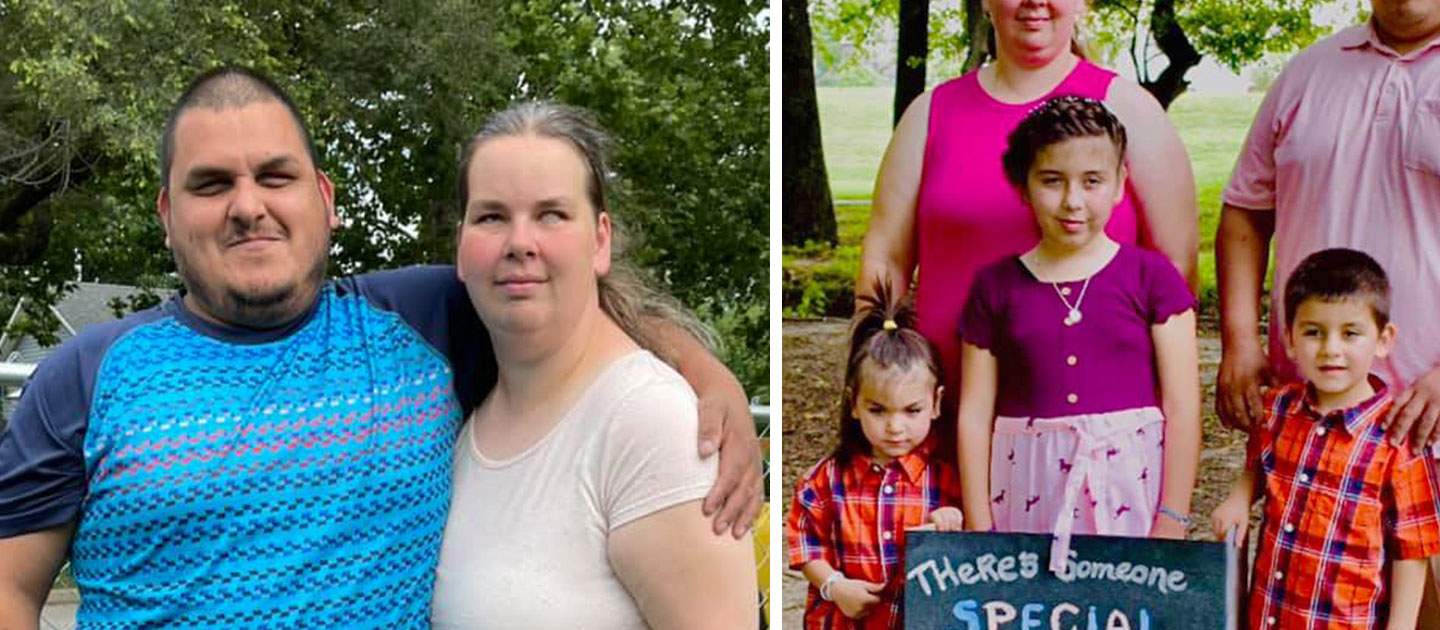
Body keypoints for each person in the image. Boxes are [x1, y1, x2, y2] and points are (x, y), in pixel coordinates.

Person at [0, 67, 759, 630]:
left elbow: (565, 298)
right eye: (210, 184)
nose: (248, 205)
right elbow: (11, 588)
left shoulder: (424, 321)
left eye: (275, 176)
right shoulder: (86, 376)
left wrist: (703, 373)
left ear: (324, 200)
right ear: (167, 212)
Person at [428, 102, 757, 629]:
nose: (519, 243)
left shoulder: (653, 424)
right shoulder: (462, 410)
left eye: (551, 214)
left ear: (600, 240)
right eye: (492, 216)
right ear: (461, 249)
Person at [858, 0, 1197, 425]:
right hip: (936, 414)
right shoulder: (931, 114)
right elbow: (886, 257)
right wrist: (872, 364)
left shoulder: (1130, 111)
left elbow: (1175, 268)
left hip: (1094, 429)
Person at [1214, 0, 1440, 615]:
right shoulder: (1309, 72)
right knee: (1303, 592)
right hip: (1314, 418)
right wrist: (1239, 338)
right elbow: (1244, 209)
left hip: (1428, 422)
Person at [955, 97, 1199, 572]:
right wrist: (980, 523)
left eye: (1092, 181)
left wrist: (1172, 515)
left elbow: (1183, 406)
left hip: (1129, 486)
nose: (1073, 201)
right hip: (1026, 485)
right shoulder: (995, 287)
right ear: (1023, 185)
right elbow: (974, 412)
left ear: (1119, 185)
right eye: (1052, 181)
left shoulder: (1152, 278)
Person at [1211, 248, 1440, 630]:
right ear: (1289, 338)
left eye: (1350, 333)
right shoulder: (1278, 409)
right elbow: (1260, 459)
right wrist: (1239, 496)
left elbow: (1413, 550)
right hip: (1271, 612)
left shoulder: (1396, 439)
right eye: (1314, 332)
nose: (1331, 348)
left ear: (1383, 339)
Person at [785, 282, 964, 630]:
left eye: (912, 411)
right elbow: (805, 547)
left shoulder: (948, 480)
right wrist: (836, 587)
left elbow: (971, 553)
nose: (895, 427)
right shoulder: (823, 480)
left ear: (936, 404)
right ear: (854, 404)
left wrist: (953, 521)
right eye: (878, 410)